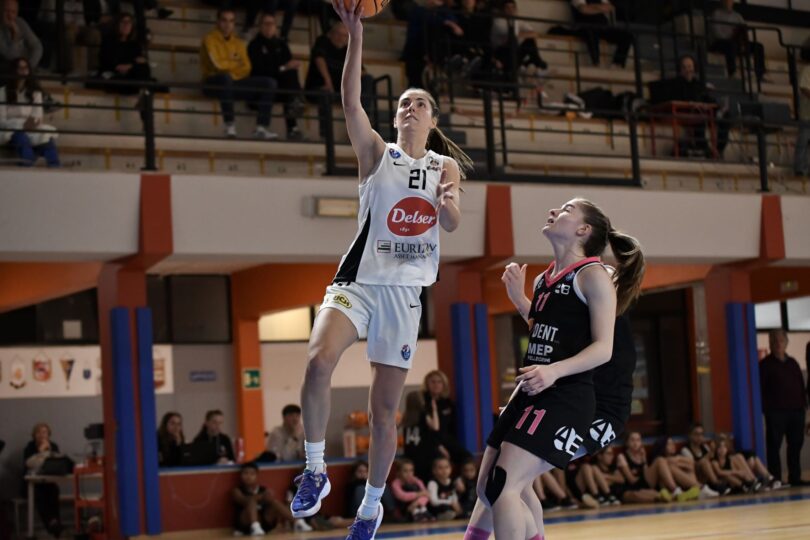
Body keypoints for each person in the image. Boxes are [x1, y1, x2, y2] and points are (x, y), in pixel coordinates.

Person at [289, 1, 473, 538]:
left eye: (420, 104)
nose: (411, 108)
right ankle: (316, 470)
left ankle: (371, 507)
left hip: (404, 294)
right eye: (404, 104)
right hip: (358, 282)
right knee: (317, 362)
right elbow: (349, 102)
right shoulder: (376, 153)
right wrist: (356, 37)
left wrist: (446, 204)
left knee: (383, 411)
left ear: (433, 121)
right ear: (395, 118)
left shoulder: (443, 166)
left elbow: (453, 223)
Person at [472, 198, 645, 539]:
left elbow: (602, 349)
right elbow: (550, 330)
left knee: (506, 483)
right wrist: (519, 300)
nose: (553, 211)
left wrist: (553, 372)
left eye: (566, 210)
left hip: (586, 399)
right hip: (540, 388)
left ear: (584, 230)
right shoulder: (545, 279)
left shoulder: (598, 276)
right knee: (491, 487)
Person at [200, 8, 278, 139]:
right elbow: (217, 65)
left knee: (269, 83)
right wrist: (235, 64)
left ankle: (261, 128)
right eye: (224, 20)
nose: (227, 24)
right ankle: (229, 126)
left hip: (233, 82)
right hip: (212, 82)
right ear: (218, 22)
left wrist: (230, 68)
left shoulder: (238, 42)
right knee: (225, 78)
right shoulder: (209, 39)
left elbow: (247, 68)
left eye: (231, 21)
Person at [304, 20, 374, 139]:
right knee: (325, 93)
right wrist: (328, 82)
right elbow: (319, 59)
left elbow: (362, 71)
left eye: (345, 36)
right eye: (338, 34)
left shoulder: (348, 48)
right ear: (331, 34)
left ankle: (360, 128)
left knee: (368, 79)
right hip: (318, 89)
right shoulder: (323, 41)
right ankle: (326, 136)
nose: (341, 38)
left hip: (341, 92)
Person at [759, 329, 807, 486]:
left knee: (795, 445)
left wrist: (804, 407)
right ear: (770, 343)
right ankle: (776, 479)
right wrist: (766, 409)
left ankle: (795, 477)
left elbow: (801, 385)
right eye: (774, 341)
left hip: (796, 411)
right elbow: (760, 389)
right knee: (774, 446)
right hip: (775, 412)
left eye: (781, 340)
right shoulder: (764, 365)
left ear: (786, 343)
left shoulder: (793, 363)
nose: (778, 344)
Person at [248, 13, 305, 140]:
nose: (269, 26)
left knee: (291, 75)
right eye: (266, 23)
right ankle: (295, 103)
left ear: (276, 27)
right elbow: (259, 70)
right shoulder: (254, 45)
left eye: (272, 24)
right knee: (283, 82)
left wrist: (286, 68)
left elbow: (289, 64)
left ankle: (293, 126)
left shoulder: (282, 44)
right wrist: (282, 68)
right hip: (262, 86)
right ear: (260, 26)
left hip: (282, 87)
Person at [0, 57, 59, 167]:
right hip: (11, 130)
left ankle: (55, 167)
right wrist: (21, 125)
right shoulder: (2, 92)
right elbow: (2, 121)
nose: (23, 71)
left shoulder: (35, 93)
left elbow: (38, 115)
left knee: (47, 140)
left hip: (31, 129)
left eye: (26, 68)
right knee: (21, 138)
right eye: (20, 68)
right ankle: (27, 166)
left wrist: (31, 123)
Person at [618, 432, 703, 502]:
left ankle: (680, 491)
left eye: (638, 440)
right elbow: (632, 480)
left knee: (663, 462)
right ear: (627, 443)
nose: (635, 443)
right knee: (660, 460)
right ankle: (676, 491)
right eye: (632, 440)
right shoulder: (622, 456)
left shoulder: (642, 454)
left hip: (645, 482)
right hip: (634, 485)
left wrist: (644, 461)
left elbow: (645, 471)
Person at [709, 0, 766, 83]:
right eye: (727, 1)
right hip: (720, 42)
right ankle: (732, 72)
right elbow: (717, 33)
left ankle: (760, 74)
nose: (728, 3)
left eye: (730, 1)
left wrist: (743, 40)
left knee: (758, 47)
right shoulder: (716, 14)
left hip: (736, 42)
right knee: (731, 45)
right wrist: (731, 37)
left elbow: (744, 28)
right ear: (723, 2)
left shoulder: (737, 16)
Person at [422, 369, 471, 465]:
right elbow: (426, 430)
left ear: (444, 384)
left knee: (467, 458)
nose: (436, 385)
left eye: (439, 382)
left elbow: (452, 427)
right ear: (427, 384)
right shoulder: (422, 402)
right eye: (433, 382)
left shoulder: (448, 403)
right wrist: (439, 446)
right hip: (429, 443)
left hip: (447, 440)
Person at [23, 423, 63, 538]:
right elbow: (29, 465)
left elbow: (57, 464)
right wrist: (41, 452)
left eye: (44, 432)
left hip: (48, 483)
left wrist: (49, 451)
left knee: (54, 491)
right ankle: (52, 523)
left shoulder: (53, 446)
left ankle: (55, 523)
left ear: (48, 434)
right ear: (34, 435)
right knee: (39, 494)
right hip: (32, 484)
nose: (41, 435)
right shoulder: (29, 448)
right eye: (38, 432)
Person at [97, 13, 153, 95]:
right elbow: (106, 60)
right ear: (117, 25)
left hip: (131, 73)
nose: (126, 25)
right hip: (114, 73)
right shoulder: (108, 42)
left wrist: (130, 66)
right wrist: (122, 66)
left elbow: (140, 62)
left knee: (143, 70)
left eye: (129, 22)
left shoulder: (134, 45)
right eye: (123, 22)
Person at [233, 462, 294, 535]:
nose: (248, 476)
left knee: (274, 502)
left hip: (264, 521)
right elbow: (242, 500)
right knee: (251, 501)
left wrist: (269, 497)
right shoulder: (237, 490)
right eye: (245, 473)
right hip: (246, 523)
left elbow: (271, 501)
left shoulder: (263, 489)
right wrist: (260, 497)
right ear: (241, 475)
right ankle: (255, 526)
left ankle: (297, 522)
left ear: (257, 476)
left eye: (252, 474)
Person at [570, 0, 633, 68]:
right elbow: (583, 9)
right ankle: (596, 63)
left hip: (602, 27)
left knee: (626, 36)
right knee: (591, 32)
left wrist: (592, 7)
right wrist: (600, 8)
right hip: (585, 26)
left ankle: (617, 64)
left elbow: (610, 7)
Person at [402, 390, 446, 482]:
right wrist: (434, 409)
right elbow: (435, 427)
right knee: (426, 478)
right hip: (424, 453)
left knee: (415, 478)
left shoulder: (406, 416)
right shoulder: (423, 414)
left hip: (410, 453)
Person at [679, 423, 729, 495]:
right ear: (690, 435)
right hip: (695, 477)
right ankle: (717, 484)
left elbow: (711, 459)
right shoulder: (685, 450)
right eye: (696, 434)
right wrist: (709, 453)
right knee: (704, 462)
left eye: (701, 434)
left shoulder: (705, 447)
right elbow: (692, 466)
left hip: (707, 475)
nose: (699, 437)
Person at [0, 0, 42, 68]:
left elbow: (37, 46)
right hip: (7, 69)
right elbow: (10, 57)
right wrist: (15, 37)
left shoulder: (20, 22)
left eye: (13, 12)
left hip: (25, 67)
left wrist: (29, 67)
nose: (10, 16)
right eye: (6, 11)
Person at [795, 62, 810, 177]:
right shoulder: (807, 69)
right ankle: (800, 168)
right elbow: (804, 88)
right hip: (807, 114)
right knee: (803, 141)